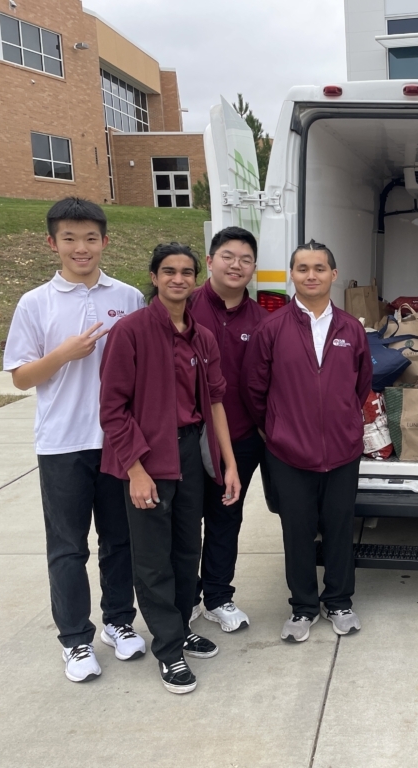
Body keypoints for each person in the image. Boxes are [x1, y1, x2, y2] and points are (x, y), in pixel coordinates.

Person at [4, 197, 147, 683]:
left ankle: (119, 623)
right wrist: (63, 354)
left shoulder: (128, 298)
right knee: (68, 546)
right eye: (70, 238)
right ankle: (75, 640)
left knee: (119, 540)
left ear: (105, 241)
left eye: (90, 238)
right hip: (62, 443)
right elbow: (22, 377)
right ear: (52, 243)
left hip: (117, 443)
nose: (80, 248)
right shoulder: (35, 302)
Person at [99, 243, 241, 695]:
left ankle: (179, 627)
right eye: (168, 271)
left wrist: (229, 465)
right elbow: (112, 408)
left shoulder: (202, 337)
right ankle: (168, 649)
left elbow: (216, 402)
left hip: (190, 458)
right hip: (148, 459)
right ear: (154, 277)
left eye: (185, 272)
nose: (178, 279)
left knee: (186, 550)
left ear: (195, 279)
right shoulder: (131, 331)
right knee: (153, 558)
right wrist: (135, 470)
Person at [244, 240, 372, 643]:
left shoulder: (351, 329)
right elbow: (254, 390)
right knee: (296, 531)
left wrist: (343, 425)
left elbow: (360, 386)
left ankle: (339, 601)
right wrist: (278, 431)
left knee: (338, 527)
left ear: (334, 275)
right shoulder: (272, 328)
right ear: (292, 275)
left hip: (342, 451)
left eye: (319, 268)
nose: (311, 275)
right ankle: (302, 607)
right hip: (288, 453)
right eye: (302, 268)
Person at [188, 226, 270, 633]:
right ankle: (185, 597)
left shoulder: (263, 321)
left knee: (226, 518)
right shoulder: (182, 306)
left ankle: (218, 596)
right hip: (184, 438)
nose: (236, 265)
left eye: (245, 259)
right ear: (209, 260)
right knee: (184, 522)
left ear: (254, 268)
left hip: (240, 439)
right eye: (228, 256)